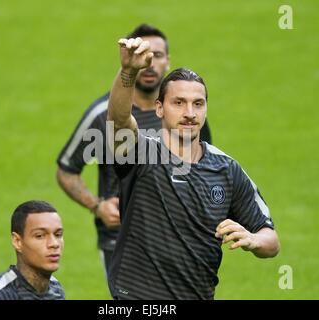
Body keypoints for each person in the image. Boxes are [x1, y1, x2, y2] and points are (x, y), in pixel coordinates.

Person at [106, 37, 280, 300]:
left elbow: (272, 242)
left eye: (198, 104)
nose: (190, 112)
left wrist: (254, 240)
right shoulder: (142, 155)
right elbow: (119, 120)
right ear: (159, 108)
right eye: (179, 103)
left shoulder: (226, 169)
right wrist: (129, 72)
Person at [56, 24, 212, 277]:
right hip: (121, 241)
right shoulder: (101, 116)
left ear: (168, 61)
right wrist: (97, 207)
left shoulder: (187, 116)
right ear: (130, 59)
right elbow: (66, 171)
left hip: (177, 239)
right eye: (143, 56)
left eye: (157, 56)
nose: (150, 64)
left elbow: (204, 172)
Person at [0, 200, 65, 300]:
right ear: (17, 241)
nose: (54, 244)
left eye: (58, 235)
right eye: (40, 236)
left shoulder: (56, 290)